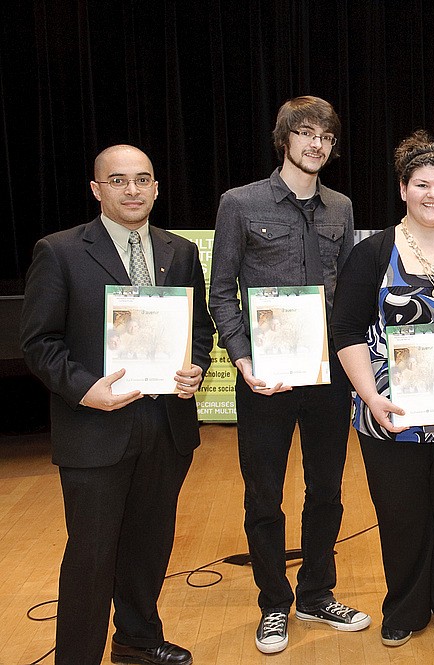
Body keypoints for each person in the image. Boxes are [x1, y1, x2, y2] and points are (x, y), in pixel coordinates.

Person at [20, 144, 214, 665]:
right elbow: (39, 343)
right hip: (94, 428)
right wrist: (87, 390)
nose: (133, 190)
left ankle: (136, 639)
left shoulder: (180, 251)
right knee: (91, 555)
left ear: (156, 188)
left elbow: (199, 329)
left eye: (142, 179)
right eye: (119, 180)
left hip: (166, 425)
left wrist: (195, 366)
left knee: (150, 546)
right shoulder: (59, 251)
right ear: (96, 189)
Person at [209, 95, 369, 655]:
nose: (316, 144)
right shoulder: (240, 203)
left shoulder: (341, 207)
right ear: (284, 139)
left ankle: (316, 594)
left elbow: (346, 295)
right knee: (264, 495)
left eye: (325, 136)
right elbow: (221, 292)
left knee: (327, 490)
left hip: (328, 375)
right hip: (265, 378)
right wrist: (243, 359)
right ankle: (273, 602)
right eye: (305, 133)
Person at [331, 130, 434, 647]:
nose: (432, 194)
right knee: (400, 516)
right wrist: (370, 396)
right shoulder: (372, 254)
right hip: (389, 412)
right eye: (421, 184)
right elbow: (346, 331)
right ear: (403, 188)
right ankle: (404, 607)